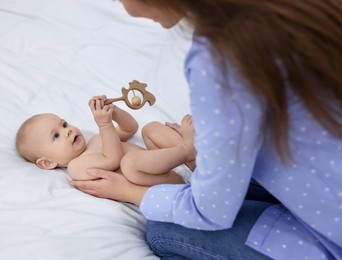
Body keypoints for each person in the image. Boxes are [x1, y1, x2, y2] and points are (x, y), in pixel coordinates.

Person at [72, 0, 342, 259]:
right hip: (323, 193)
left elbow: (211, 212)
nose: (126, 9)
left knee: (162, 233)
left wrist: (129, 192)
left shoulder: (218, 59)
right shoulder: (299, 11)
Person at [16, 95, 195, 186]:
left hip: (168, 163)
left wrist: (113, 111)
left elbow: (130, 128)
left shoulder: (96, 139)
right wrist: (104, 123)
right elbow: (113, 159)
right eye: (56, 136)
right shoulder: (76, 167)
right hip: (164, 181)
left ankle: (194, 161)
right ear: (47, 162)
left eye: (64, 124)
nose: (68, 131)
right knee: (129, 163)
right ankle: (187, 149)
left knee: (151, 129)